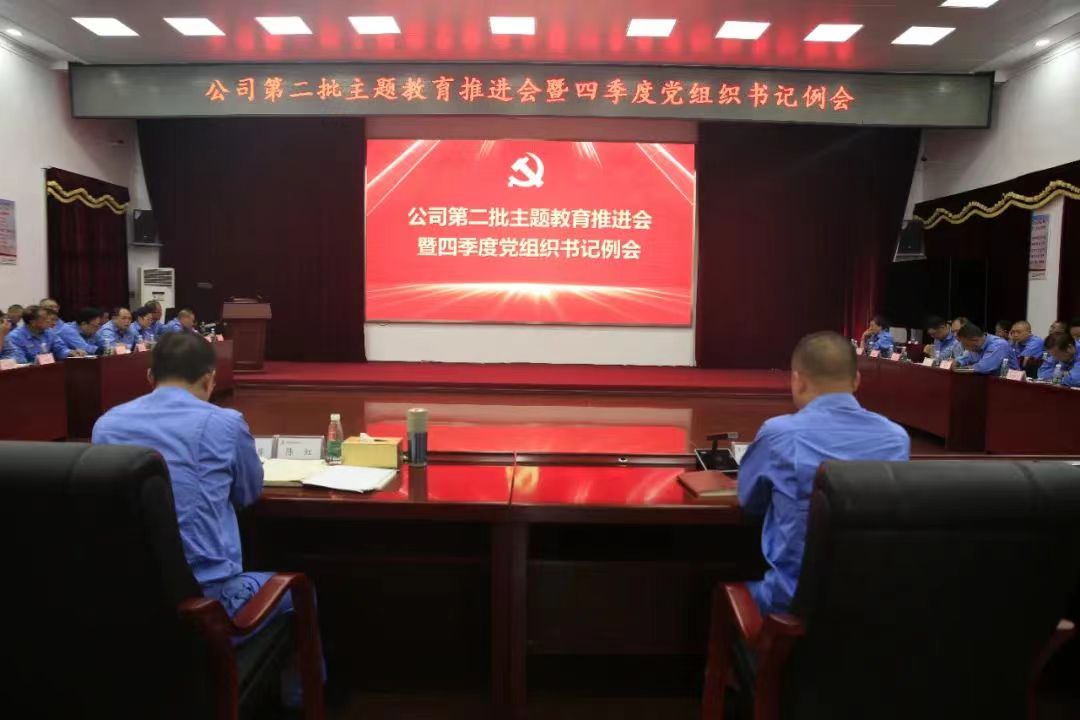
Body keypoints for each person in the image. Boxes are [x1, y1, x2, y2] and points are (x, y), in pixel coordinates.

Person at [92, 333, 319, 707]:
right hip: (207, 609)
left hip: (128, 605)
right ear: (210, 379)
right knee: (298, 592)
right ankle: (302, 702)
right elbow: (247, 493)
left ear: (150, 377)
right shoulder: (224, 423)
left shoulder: (107, 425)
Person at [738, 331, 911, 615]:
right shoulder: (896, 438)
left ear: (798, 380)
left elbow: (750, 502)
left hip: (793, 604)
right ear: (856, 381)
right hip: (873, 605)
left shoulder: (779, 434)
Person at [954, 323, 1019, 375]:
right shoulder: (975, 346)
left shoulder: (998, 344)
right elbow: (966, 358)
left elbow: (984, 367)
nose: (965, 347)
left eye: (965, 344)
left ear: (975, 340)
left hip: (1011, 383)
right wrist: (958, 362)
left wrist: (959, 369)